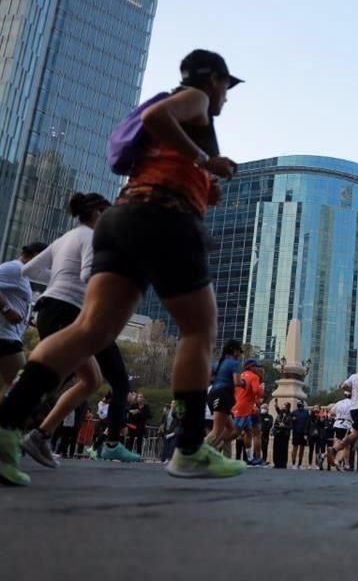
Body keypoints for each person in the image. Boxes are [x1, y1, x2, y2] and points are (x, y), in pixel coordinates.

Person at [0, 50, 244, 485]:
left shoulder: (187, 123)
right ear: (213, 80)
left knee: (91, 330)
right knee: (198, 329)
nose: (226, 96)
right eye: (227, 85)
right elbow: (155, 117)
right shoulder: (194, 99)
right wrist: (206, 163)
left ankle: (5, 428)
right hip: (163, 218)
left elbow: (164, 153)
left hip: (123, 217)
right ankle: (189, 448)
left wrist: (204, 185)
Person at [18, 193, 140, 467]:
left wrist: (60, 280)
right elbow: (88, 274)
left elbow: (29, 270)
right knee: (111, 379)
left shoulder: (65, 238)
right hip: (71, 312)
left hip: (50, 308)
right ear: (98, 213)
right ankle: (110, 444)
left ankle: (38, 434)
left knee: (88, 380)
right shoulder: (91, 238)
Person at [0, 243, 46, 391]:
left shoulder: (23, 274)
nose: (44, 269)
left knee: (14, 386)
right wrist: (7, 310)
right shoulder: (14, 268)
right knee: (19, 386)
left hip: (9, 335)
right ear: (35, 256)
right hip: (5, 336)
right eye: (44, 262)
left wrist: (32, 323)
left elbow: (17, 303)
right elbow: (10, 308)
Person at [206, 340, 244, 451]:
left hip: (213, 394)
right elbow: (237, 382)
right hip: (222, 395)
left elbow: (208, 379)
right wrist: (244, 383)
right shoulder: (234, 363)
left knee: (231, 429)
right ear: (235, 352)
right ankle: (198, 451)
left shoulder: (217, 363)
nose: (239, 355)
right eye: (239, 352)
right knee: (216, 430)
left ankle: (211, 448)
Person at [233, 359, 264, 465]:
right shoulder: (254, 377)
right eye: (255, 366)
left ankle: (250, 458)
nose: (257, 368)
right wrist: (261, 390)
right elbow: (257, 391)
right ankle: (213, 448)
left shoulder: (241, 375)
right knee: (233, 434)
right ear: (250, 367)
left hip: (240, 407)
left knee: (249, 432)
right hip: (243, 410)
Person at [327, 393, 352, 469]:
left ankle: (327, 457)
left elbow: (331, 413)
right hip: (346, 425)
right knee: (347, 445)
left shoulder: (339, 402)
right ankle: (346, 463)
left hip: (337, 424)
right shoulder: (353, 403)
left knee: (337, 443)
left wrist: (338, 415)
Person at [290, 401, 310, 469]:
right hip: (296, 432)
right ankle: (293, 463)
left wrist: (306, 433)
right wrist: (292, 421)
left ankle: (299, 463)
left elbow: (307, 423)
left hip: (303, 433)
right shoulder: (294, 412)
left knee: (302, 449)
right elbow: (290, 421)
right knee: (295, 448)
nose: (300, 405)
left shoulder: (306, 412)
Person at [272, 402, 292, 469]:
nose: (284, 408)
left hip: (285, 435)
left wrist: (284, 426)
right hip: (278, 434)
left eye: (285, 407)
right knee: (276, 449)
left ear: (288, 408)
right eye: (283, 406)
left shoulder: (290, 416)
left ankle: (283, 464)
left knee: (283, 450)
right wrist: (275, 429)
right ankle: (276, 463)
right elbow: (275, 424)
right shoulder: (279, 415)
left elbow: (290, 426)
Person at [307, 406, 326, 470]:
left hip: (318, 435)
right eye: (315, 408)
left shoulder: (321, 416)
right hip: (311, 435)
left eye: (317, 408)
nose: (316, 409)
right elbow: (307, 425)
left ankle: (317, 464)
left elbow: (323, 425)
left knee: (317, 451)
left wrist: (321, 418)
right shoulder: (310, 416)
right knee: (311, 450)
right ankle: (309, 464)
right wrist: (306, 434)